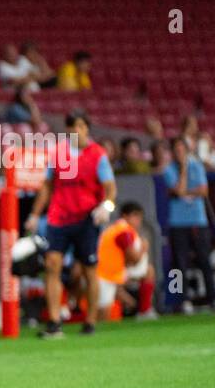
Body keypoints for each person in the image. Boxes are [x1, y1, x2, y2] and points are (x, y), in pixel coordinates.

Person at [25, 110, 117, 338]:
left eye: (81, 126)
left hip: (87, 218)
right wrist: (35, 214)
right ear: (67, 130)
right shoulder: (57, 154)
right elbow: (47, 186)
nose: (76, 130)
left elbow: (111, 188)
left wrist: (106, 207)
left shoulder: (98, 155)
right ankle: (55, 322)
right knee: (52, 265)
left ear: (87, 129)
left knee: (89, 270)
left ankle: (91, 321)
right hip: (59, 217)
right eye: (72, 126)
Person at [162, 137, 215, 313]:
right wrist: (183, 170)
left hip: (198, 221)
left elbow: (204, 191)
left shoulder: (197, 166)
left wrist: (185, 191)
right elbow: (179, 189)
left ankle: (214, 298)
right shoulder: (169, 170)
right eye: (177, 149)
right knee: (179, 263)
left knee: (205, 260)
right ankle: (181, 300)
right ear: (173, 152)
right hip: (177, 222)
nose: (180, 152)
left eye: (182, 149)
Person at [96, 203, 155, 320]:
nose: (139, 221)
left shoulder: (118, 229)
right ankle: (141, 310)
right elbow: (134, 259)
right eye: (136, 217)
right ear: (125, 216)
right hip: (106, 275)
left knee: (149, 270)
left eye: (140, 218)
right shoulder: (124, 231)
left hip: (113, 272)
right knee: (103, 315)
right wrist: (143, 249)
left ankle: (144, 310)